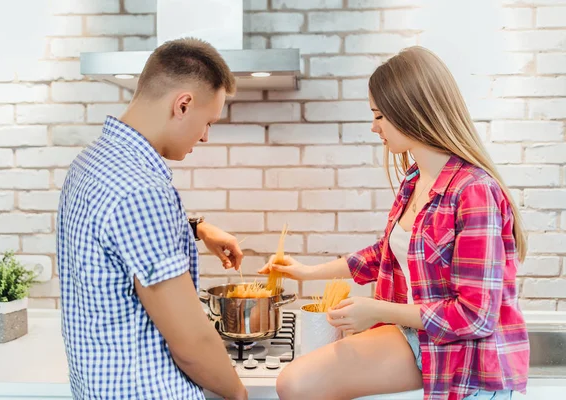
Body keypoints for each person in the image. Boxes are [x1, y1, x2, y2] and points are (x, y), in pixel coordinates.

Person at [260, 46, 529, 400]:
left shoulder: (474, 192)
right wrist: (306, 272)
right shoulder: (415, 179)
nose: (374, 128)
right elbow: (385, 252)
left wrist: (376, 310)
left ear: (411, 113)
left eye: (380, 116)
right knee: (295, 383)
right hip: (419, 339)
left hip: (468, 363)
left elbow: (475, 317)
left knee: (298, 383)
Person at [56, 38, 247, 400]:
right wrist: (237, 392)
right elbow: (190, 342)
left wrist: (197, 229)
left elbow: (115, 238)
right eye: (208, 122)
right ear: (183, 104)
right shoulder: (141, 191)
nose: (206, 136)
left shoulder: (90, 163)